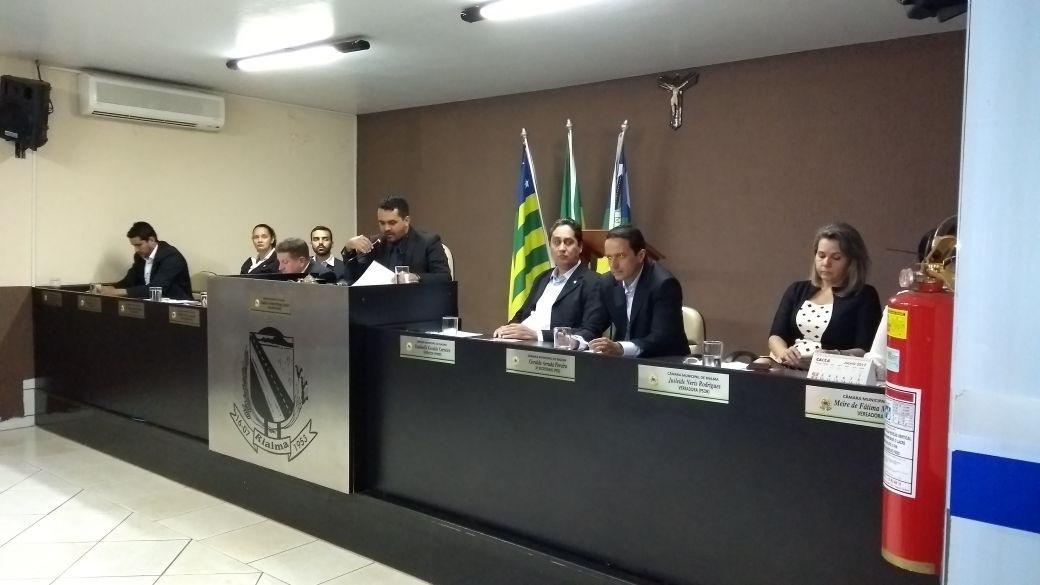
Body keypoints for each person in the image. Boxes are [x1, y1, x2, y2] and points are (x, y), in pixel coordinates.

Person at [767, 222, 882, 369]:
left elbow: (865, 349)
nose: (826, 263)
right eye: (821, 255)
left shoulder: (865, 296)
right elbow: (776, 335)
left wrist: (831, 356)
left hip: (831, 371)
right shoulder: (797, 289)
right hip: (787, 367)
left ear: (851, 261)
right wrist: (784, 353)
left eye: (836, 258)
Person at [493, 219, 605, 342]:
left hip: (552, 350)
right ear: (550, 246)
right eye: (556, 242)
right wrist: (507, 329)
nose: (562, 248)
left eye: (568, 242)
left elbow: (590, 332)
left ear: (580, 247)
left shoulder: (594, 282)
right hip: (522, 344)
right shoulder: (542, 278)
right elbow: (522, 314)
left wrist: (539, 335)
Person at [586, 226, 689, 358]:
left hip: (664, 361)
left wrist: (621, 348)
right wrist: (575, 340)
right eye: (609, 257)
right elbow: (594, 324)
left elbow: (661, 338)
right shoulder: (608, 282)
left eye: (621, 256)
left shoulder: (664, 284)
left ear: (640, 256)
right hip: (624, 362)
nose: (614, 265)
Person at [342, 196, 451, 284]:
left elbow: (444, 277)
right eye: (382, 223)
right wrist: (349, 249)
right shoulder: (375, 243)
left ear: (406, 220)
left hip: (416, 300)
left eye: (392, 223)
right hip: (380, 301)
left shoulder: (428, 242)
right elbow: (353, 279)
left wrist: (416, 277)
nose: (386, 228)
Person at [99, 222, 193, 300]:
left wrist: (117, 292)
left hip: (180, 308)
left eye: (139, 245)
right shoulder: (139, 257)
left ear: (151, 240)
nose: (136, 250)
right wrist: (113, 287)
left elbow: (157, 289)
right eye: (134, 246)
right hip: (153, 305)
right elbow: (129, 281)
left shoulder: (172, 256)